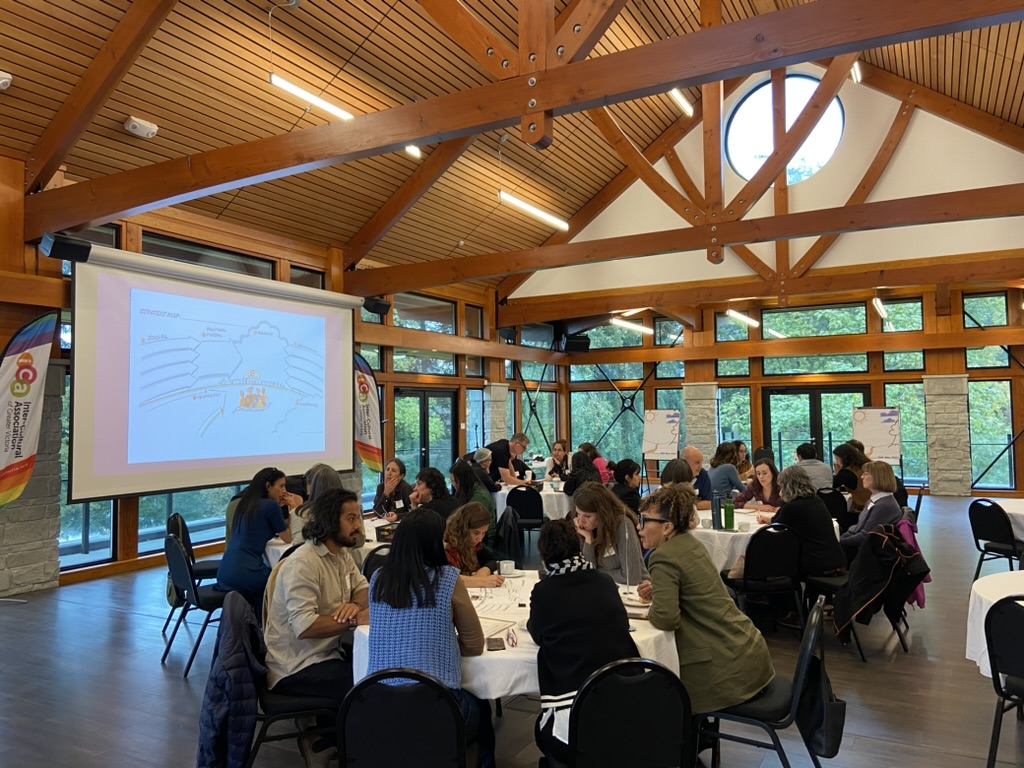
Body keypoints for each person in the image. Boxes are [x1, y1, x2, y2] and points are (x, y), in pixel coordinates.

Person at [366, 508, 494, 768]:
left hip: (379, 705)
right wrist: (441, 646)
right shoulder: (447, 578)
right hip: (436, 707)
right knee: (481, 704)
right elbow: (474, 643)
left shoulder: (378, 579)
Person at [635, 484, 775, 715]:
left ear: (667, 527)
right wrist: (661, 589)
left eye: (644, 521)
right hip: (748, 654)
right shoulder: (692, 544)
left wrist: (653, 606)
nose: (639, 528)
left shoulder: (663, 557)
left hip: (724, 670)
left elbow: (666, 619)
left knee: (654, 698)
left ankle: (683, 746)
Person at [263, 489, 367, 768]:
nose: (358, 524)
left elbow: (364, 591)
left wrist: (355, 607)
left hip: (325, 654)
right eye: (351, 518)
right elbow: (305, 625)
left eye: (358, 517)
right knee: (367, 686)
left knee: (373, 670)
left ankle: (324, 739)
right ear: (330, 521)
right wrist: (354, 620)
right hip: (295, 665)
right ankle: (341, 747)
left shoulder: (341, 555)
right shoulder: (304, 563)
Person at [528, 519, 639, 764]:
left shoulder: (544, 591)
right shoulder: (604, 582)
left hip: (576, 718)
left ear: (544, 554)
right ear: (579, 547)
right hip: (627, 705)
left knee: (542, 732)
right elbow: (621, 624)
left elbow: (537, 634)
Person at [216, 467, 295, 612]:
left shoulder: (245, 503)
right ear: (268, 486)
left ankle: (257, 622)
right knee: (285, 583)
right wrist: (292, 508)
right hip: (246, 573)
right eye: (281, 486)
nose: (284, 490)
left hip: (225, 572)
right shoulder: (270, 506)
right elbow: (288, 537)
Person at [773, 466, 847, 577]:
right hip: (838, 560)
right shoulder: (817, 500)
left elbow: (776, 526)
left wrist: (785, 500)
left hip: (817, 563)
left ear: (786, 486)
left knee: (781, 561)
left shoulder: (792, 506)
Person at [573, 482, 650, 586]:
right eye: (578, 514)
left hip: (636, 592)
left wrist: (596, 572)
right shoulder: (584, 528)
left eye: (588, 516)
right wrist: (588, 540)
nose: (581, 522)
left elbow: (631, 578)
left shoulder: (622, 524)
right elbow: (587, 573)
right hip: (605, 588)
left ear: (602, 513)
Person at [840, 461, 903, 563]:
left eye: (865, 474)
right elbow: (859, 528)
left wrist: (839, 541)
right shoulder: (875, 500)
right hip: (864, 547)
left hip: (868, 554)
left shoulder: (883, 505)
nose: (861, 477)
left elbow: (865, 536)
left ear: (877, 477)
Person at [444, 502, 505, 588]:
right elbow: (444, 578)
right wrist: (480, 581)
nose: (480, 539)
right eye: (476, 533)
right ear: (463, 529)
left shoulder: (475, 545)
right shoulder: (446, 546)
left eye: (483, 533)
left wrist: (484, 570)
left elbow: (494, 559)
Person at [291, 464, 343, 541]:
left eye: (308, 483)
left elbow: (299, 544)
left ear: (313, 486)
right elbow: (359, 541)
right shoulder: (348, 510)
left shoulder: (301, 514)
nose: (306, 486)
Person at [451, 460, 498, 546]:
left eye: (454, 481)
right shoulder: (468, 490)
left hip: (483, 540)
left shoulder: (480, 497)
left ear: (462, 480)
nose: (453, 484)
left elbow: (470, 522)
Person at [832, 443, 870, 512]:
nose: (836, 462)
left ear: (844, 458)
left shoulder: (846, 472)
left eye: (837, 459)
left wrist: (838, 472)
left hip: (860, 507)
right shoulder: (864, 465)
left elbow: (833, 485)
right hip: (872, 503)